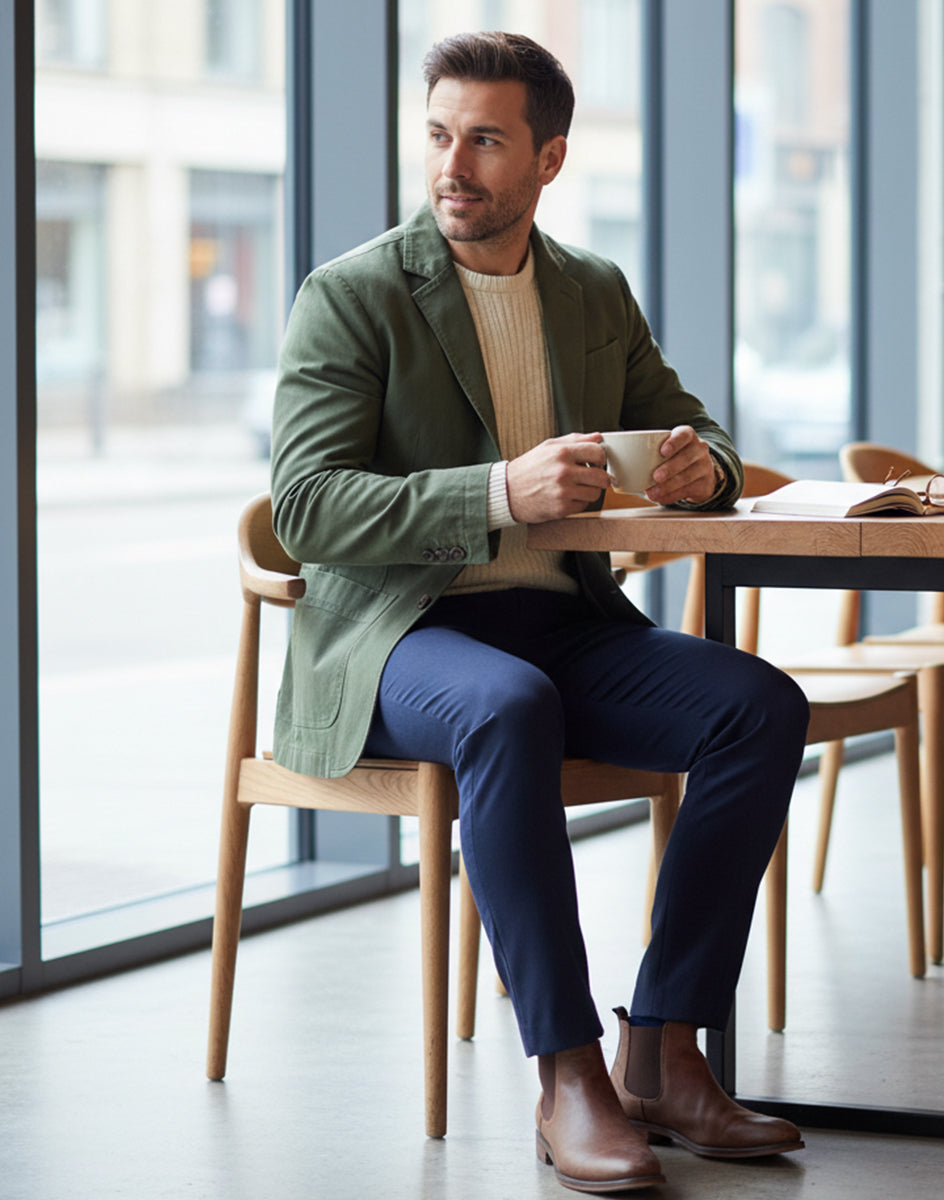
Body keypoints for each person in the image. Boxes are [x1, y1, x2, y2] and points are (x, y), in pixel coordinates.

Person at [269, 30, 810, 1195]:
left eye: (485, 140)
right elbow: (307, 506)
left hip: (565, 622)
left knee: (760, 705)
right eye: (439, 135)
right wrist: (493, 491)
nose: (452, 164)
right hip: (397, 638)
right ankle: (568, 1073)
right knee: (507, 707)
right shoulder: (353, 296)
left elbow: (697, 427)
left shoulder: (589, 292)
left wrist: (693, 470)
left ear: (549, 159)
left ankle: (664, 1048)